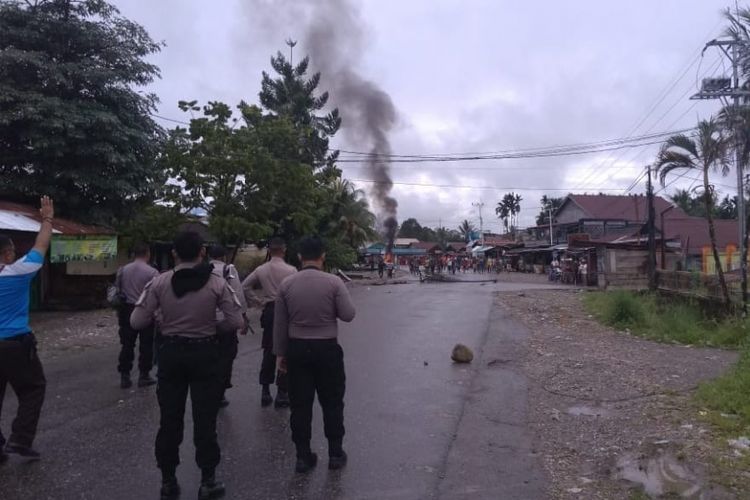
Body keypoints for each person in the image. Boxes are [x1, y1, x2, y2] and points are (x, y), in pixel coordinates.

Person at [131, 231, 243, 500]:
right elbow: (235, 320)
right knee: (205, 419)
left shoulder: (159, 283)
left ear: (174, 254)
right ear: (202, 253)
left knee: (170, 419)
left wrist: (162, 319)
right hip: (205, 352)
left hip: (170, 354)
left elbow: (136, 321)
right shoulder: (217, 283)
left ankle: (168, 481)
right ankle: (208, 480)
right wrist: (211, 327)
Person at [273, 236, 356, 473]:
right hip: (327, 349)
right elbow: (348, 314)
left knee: (300, 404)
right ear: (323, 256)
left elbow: (280, 324)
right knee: (332, 402)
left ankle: (302, 456)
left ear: (299, 257)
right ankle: (336, 454)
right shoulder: (334, 283)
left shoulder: (287, 284)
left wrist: (280, 355)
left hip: (297, 349)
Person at [0, 196, 53, 462]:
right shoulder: (18, 272)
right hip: (15, 344)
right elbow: (41, 245)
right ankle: (20, 439)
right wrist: (47, 219)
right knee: (33, 388)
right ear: (8, 254)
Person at [242, 237, 296, 408]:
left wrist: (257, 302)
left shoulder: (262, 269)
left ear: (269, 250)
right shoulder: (292, 270)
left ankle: (265, 391)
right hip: (286, 311)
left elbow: (245, 286)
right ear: (284, 249)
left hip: (270, 310)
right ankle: (282, 392)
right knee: (284, 351)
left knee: (268, 350)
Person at [207, 245, 248, 408]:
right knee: (226, 355)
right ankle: (221, 391)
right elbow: (238, 294)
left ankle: (208, 388)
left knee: (209, 356)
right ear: (224, 256)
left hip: (205, 321)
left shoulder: (202, 269)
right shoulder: (228, 269)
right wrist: (243, 317)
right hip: (225, 321)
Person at [115, 242, 159, 389]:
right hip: (145, 309)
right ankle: (144, 375)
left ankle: (125, 375)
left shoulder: (123, 270)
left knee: (127, 343)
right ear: (147, 253)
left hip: (126, 309)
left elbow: (118, 289)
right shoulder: (152, 272)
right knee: (146, 344)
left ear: (134, 254)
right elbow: (157, 293)